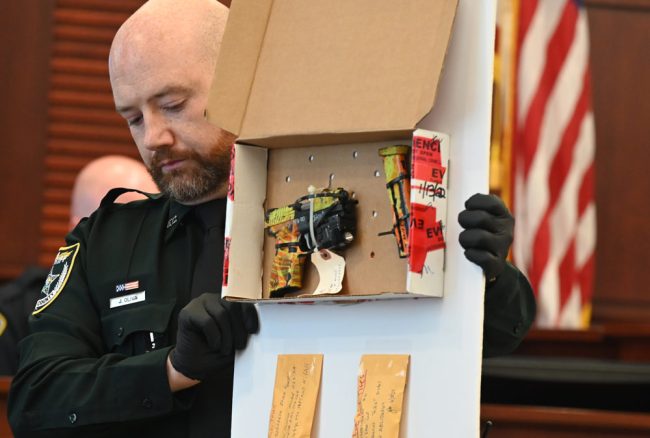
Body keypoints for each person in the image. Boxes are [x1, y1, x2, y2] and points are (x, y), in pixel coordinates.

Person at [8, 0, 534, 436]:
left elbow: (494, 337)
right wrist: (171, 370)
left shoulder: (347, 201)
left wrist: (484, 269)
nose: (153, 138)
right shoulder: (107, 240)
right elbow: (35, 398)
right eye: (132, 117)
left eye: (171, 104)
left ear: (241, 81)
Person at [0, 156, 157, 376]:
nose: (136, 242)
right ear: (76, 228)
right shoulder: (17, 313)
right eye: (119, 227)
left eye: (148, 227)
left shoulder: (166, 305)